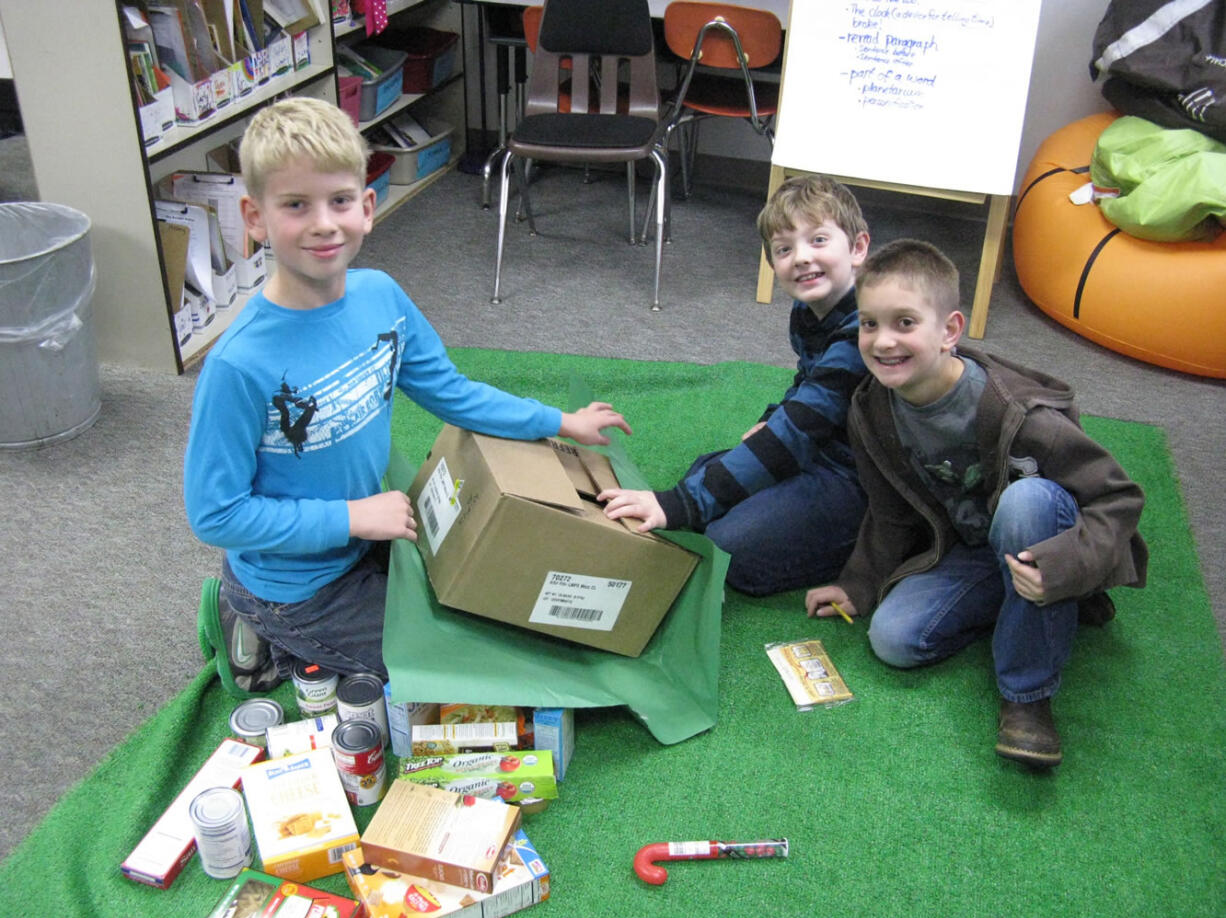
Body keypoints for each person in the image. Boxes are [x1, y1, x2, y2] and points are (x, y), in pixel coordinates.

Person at [185, 97, 630, 687]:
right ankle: (254, 617)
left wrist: (557, 421)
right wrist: (352, 517)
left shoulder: (381, 296)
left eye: (339, 200)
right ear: (255, 217)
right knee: (464, 673)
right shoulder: (238, 365)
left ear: (367, 207)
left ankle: (275, 622)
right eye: (296, 205)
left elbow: (450, 391)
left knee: (495, 617)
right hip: (298, 585)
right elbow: (215, 514)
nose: (323, 223)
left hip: (367, 538)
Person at [805, 238, 1148, 768]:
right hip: (973, 550)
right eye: (869, 324)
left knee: (1026, 501)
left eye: (904, 323)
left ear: (950, 331)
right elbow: (890, 510)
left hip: (1044, 537)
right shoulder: (871, 409)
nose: (882, 341)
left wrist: (1068, 566)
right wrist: (858, 583)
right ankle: (1028, 607)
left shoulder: (1019, 412)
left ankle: (1027, 696)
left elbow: (1117, 497)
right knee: (894, 641)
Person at [599, 175, 871, 596]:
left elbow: (801, 430)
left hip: (863, 480)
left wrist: (681, 504)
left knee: (729, 549)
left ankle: (872, 549)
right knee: (704, 473)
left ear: (857, 248)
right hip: (824, 448)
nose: (801, 258)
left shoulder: (866, 330)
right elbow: (810, 380)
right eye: (784, 249)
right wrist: (773, 418)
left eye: (818, 240)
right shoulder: (809, 309)